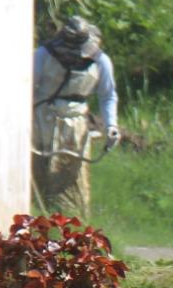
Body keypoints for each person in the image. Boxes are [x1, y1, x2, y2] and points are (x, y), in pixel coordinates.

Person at [32, 16, 120, 219]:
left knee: (71, 176)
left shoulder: (100, 61)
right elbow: (27, 88)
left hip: (75, 126)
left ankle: (71, 224)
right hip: (42, 121)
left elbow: (108, 96)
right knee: (39, 172)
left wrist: (111, 126)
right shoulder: (43, 55)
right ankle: (38, 221)